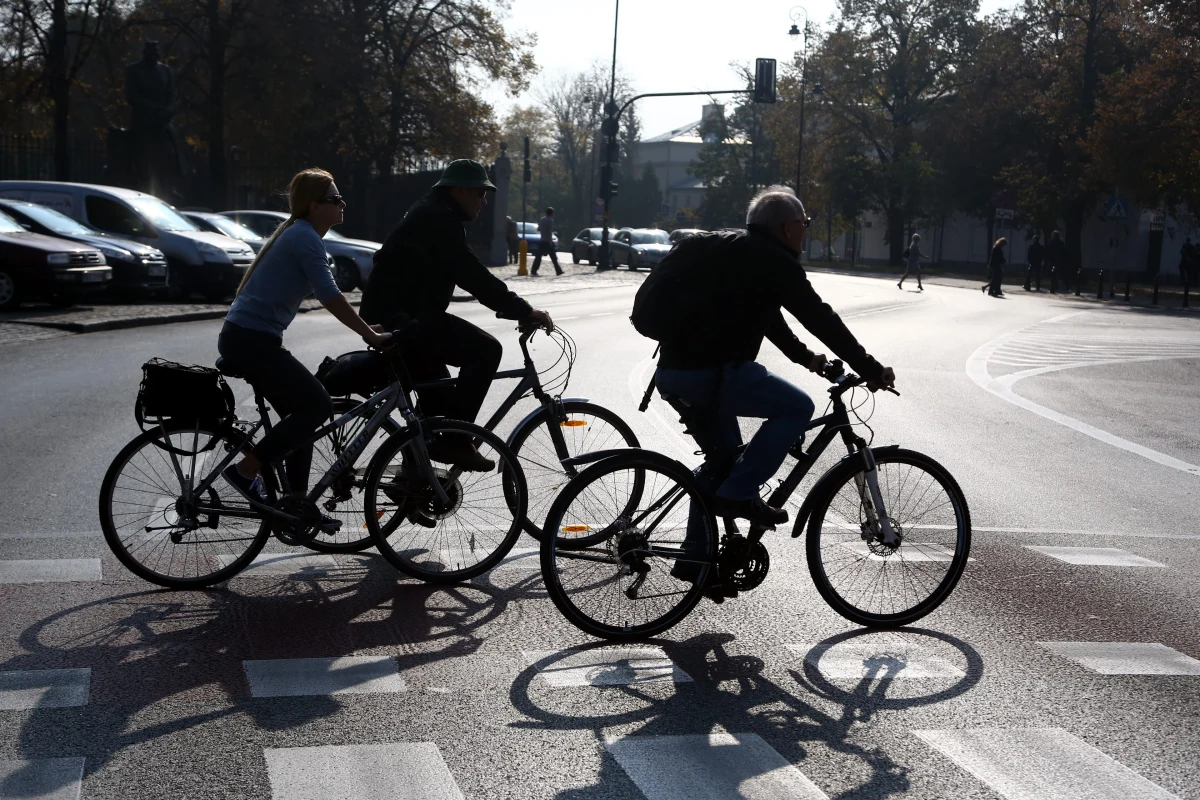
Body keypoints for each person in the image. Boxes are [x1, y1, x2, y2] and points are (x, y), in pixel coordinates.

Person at [653, 185, 895, 526]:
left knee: (721, 465)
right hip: (714, 375)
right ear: (787, 228)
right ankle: (741, 494)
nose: (805, 230)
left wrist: (808, 359)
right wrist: (869, 368)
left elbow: (766, 317)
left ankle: (696, 561)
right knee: (797, 407)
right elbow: (819, 318)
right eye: (805, 222)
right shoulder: (775, 261)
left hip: (672, 372)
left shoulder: (732, 251)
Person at [218, 168, 392, 519]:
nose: (342, 204)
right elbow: (330, 295)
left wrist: (366, 325)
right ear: (314, 206)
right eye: (334, 199)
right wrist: (368, 334)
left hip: (249, 338)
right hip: (251, 341)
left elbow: (331, 297)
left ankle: (299, 501)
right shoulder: (304, 237)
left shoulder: (302, 235)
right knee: (317, 405)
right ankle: (246, 470)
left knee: (302, 417)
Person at [359, 159, 554, 470]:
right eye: (480, 193)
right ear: (459, 190)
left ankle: (414, 477)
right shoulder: (439, 219)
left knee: (440, 408)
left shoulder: (431, 211)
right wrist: (523, 310)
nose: (484, 200)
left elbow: (463, 274)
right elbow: (473, 276)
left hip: (397, 315)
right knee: (486, 349)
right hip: (403, 319)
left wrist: (510, 308)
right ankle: (454, 443)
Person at [531, 207, 562, 276]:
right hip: (547, 241)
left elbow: (538, 229)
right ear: (551, 213)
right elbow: (549, 231)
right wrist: (550, 241)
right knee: (553, 257)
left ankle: (533, 270)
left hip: (542, 240)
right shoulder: (550, 220)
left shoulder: (542, 219)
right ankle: (558, 271)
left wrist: (543, 229)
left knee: (538, 257)